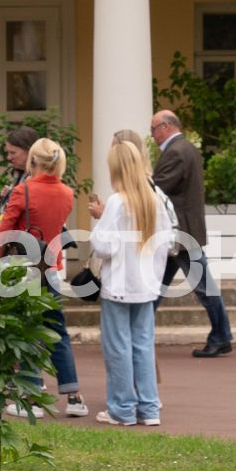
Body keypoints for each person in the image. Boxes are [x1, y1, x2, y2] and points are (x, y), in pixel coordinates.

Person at [0, 135, 88, 418]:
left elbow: (4, 231)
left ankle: (31, 398)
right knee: (58, 331)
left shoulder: (23, 191)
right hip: (53, 268)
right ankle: (73, 396)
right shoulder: (67, 193)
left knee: (28, 332)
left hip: (24, 268)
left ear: (33, 160)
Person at [91, 130, 181, 427]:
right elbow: (168, 243)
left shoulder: (118, 202)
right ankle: (149, 407)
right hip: (146, 284)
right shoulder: (155, 198)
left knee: (118, 347)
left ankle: (122, 408)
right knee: (143, 345)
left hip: (119, 284)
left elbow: (103, 246)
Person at [151, 108, 233, 357]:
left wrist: (141, 183)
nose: (152, 135)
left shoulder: (176, 152)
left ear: (165, 126)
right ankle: (139, 332)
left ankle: (221, 336)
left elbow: (159, 188)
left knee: (201, 287)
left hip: (179, 234)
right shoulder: (186, 148)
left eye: (153, 129)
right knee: (154, 286)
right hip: (181, 233)